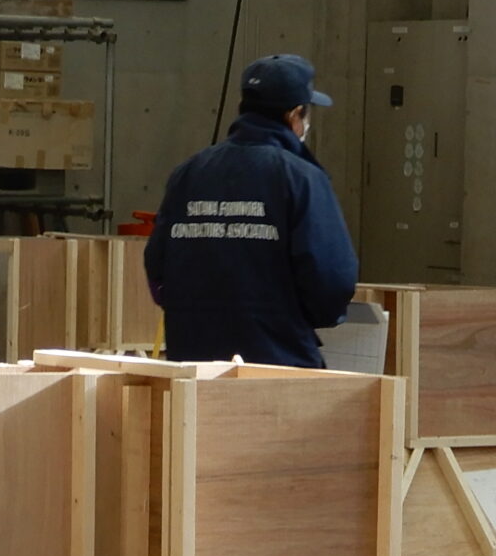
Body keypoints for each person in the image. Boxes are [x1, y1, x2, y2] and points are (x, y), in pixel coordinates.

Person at [143, 54, 357, 368]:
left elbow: (157, 268)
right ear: (294, 115)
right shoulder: (300, 178)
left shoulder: (188, 173)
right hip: (278, 362)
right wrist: (312, 317)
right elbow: (333, 280)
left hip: (192, 367)